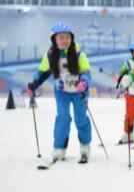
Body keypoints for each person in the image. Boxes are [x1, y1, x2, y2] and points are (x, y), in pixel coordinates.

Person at [26, 23, 93, 163]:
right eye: (61, 38)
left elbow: (86, 73)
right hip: (62, 92)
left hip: (78, 91)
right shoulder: (50, 55)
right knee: (63, 117)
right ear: (54, 39)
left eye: (67, 37)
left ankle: (85, 146)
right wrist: (34, 84)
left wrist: (84, 83)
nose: (64, 41)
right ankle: (59, 148)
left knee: (81, 118)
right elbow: (42, 72)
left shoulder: (79, 54)